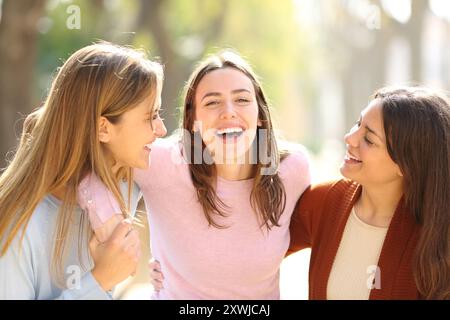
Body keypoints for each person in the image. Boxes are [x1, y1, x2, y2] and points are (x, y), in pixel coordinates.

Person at [77, 50, 311, 299]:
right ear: (193, 121)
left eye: (242, 100)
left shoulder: (291, 169)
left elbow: (296, 233)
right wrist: (111, 226)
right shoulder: (162, 163)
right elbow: (89, 162)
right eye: (212, 102)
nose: (229, 112)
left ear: (260, 115)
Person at [0, 42, 166, 299]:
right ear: (103, 128)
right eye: (150, 117)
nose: (161, 129)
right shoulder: (17, 227)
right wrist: (99, 280)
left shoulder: (126, 183)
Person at [288, 86, 450, 299]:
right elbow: (255, 248)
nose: (350, 138)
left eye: (369, 139)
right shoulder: (324, 201)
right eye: (358, 124)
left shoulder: (437, 235)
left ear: (406, 165)